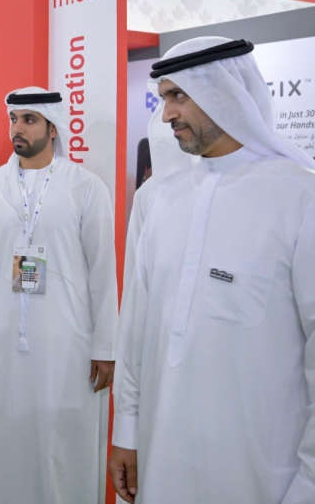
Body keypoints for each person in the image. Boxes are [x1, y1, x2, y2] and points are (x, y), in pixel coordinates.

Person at [109, 36, 315, 504]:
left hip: (262, 472)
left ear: (226, 91)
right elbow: (137, 330)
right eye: (164, 98)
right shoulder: (157, 199)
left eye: (178, 96)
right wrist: (127, 432)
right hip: (161, 457)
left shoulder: (301, 200)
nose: (166, 115)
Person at [0, 87, 118, 504]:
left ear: (53, 128)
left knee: (60, 439)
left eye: (28, 120)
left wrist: (105, 345)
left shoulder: (86, 188)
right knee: (6, 432)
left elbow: (103, 271)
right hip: (4, 336)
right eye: (13, 119)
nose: (17, 128)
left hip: (68, 338)